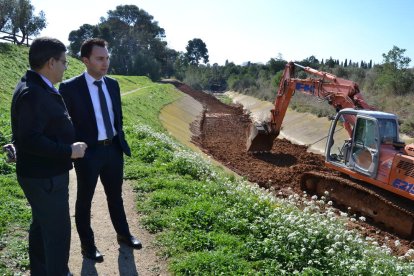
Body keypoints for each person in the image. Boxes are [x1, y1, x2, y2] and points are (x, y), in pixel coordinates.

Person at [59, 38, 141, 263]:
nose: (105, 63)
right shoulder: (69, 88)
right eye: (100, 58)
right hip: (89, 153)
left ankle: (124, 235)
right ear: (86, 60)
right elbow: (66, 124)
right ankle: (88, 246)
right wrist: (77, 147)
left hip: (113, 149)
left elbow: (117, 117)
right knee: (84, 200)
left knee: (115, 196)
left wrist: (118, 139)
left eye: (107, 58)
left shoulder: (113, 84)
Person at [10, 37, 87, 276]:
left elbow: (29, 131)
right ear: (51, 63)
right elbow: (31, 139)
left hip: (41, 176)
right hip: (46, 178)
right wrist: (69, 150)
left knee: (41, 227)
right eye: (64, 62)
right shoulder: (34, 92)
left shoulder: (34, 85)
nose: (66, 67)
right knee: (57, 234)